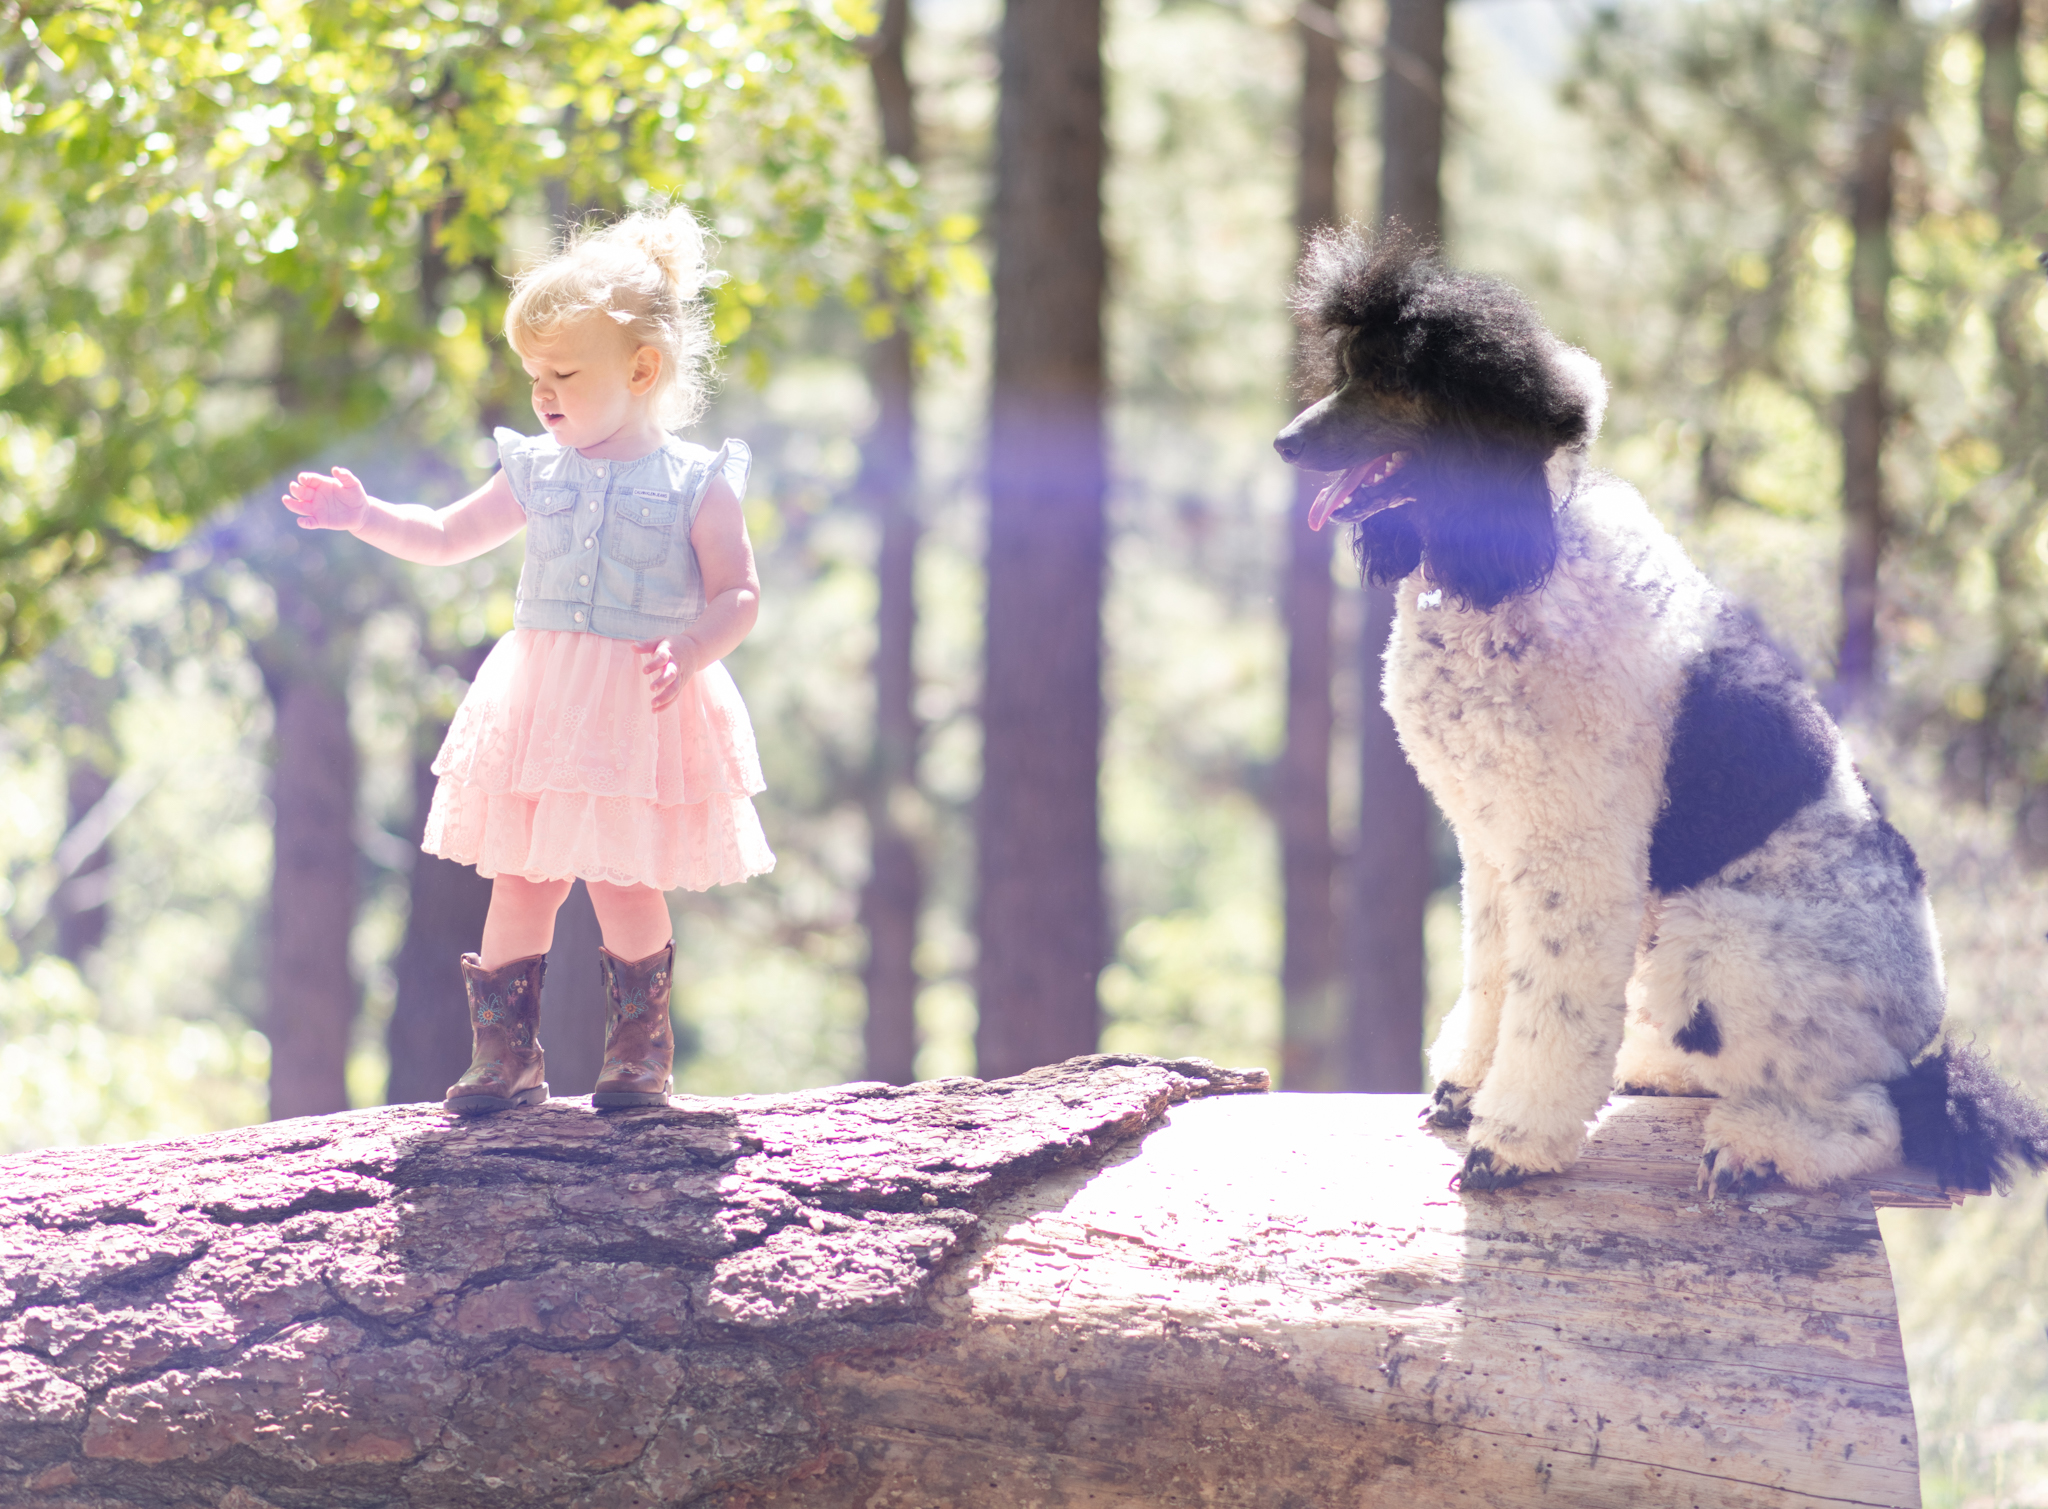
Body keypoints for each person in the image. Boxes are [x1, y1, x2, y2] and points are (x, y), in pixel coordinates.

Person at [282, 204, 772, 1115]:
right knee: (524, 878)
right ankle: (505, 1056)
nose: (543, 393)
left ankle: (640, 1052)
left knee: (625, 879)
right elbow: (444, 535)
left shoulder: (696, 483)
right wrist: (365, 515)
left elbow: (739, 592)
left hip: (637, 702)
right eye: (534, 375)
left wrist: (694, 645)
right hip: (543, 705)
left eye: (564, 375)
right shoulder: (538, 470)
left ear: (641, 370)